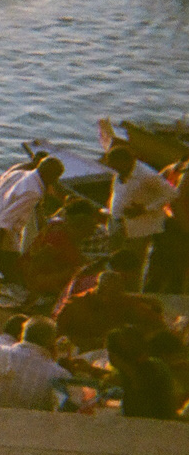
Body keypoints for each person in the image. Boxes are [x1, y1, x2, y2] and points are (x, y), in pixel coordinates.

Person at [0, 156, 66, 280]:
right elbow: (6, 222)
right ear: (50, 176)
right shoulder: (33, 192)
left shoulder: (19, 174)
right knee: (8, 273)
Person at [104, 145, 176, 283]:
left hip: (137, 228)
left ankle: (131, 290)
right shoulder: (121, 172)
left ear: (125, 161)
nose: (113, 168)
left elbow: (171, 193)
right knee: (113, 261)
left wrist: (146, 208)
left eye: (114, 164)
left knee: (133, 264)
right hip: (117, 224)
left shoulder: (147, 175)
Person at [54, 269, 164, 352]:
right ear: (97, 289)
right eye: (106, 293)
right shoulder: (75, 305)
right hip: (80, 351)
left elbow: (156, 322)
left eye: (115, 293)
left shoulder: (122, 301)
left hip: (112, 351)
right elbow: (56, 333)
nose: (109, 299)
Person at [22, 200, 100, 298]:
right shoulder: (56, 238)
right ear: (82, 224)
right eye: (93, 224)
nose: (95, 228)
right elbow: (35, 272)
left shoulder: (71, 237)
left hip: (59, 283)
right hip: (43, 285)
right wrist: (68, 274)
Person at [105, 327, 181, 420]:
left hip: (157, 424)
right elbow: (111, 381)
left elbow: (141, 386)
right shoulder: (128, 370)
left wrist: (124, 366)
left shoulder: (154, 367)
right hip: (136, 423)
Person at [145, 158, 188, 294]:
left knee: (159, 273)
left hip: (165, 224)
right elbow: (177, 201)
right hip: (177, 229)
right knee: (174, 276)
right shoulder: (184, 171)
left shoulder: (176, 167)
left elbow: (151, 188)